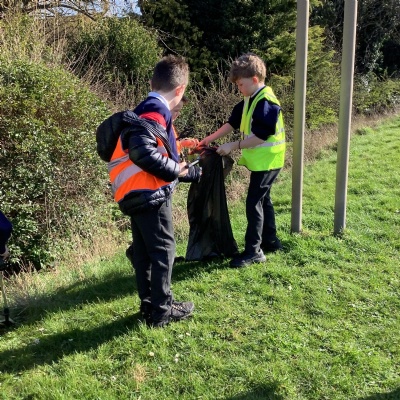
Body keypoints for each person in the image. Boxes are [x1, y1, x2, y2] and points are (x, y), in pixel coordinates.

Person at [109, 55, 198, 327]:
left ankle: (150, 306)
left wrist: (178, 165)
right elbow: (142, 151)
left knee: (145, 253)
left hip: (132, 191)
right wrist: (177, 171)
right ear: (180, 89)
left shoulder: (143, 109)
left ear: (152, 83)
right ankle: (162, 311)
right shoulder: (155, 110)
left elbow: (151, 150)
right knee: (164, 250)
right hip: (149, 192)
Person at [199, 53, 285, 268]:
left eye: (240, 84)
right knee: (263, 200)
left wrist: (233, 146)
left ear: (254, 79)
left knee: (253, 202)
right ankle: (271, 241)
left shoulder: (266, 102)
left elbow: (261, 136)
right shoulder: (249, 99)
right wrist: (209, 139)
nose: (239, 88)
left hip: (269, 161)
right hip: (263, 161)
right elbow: (232, 123)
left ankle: (254, 252)